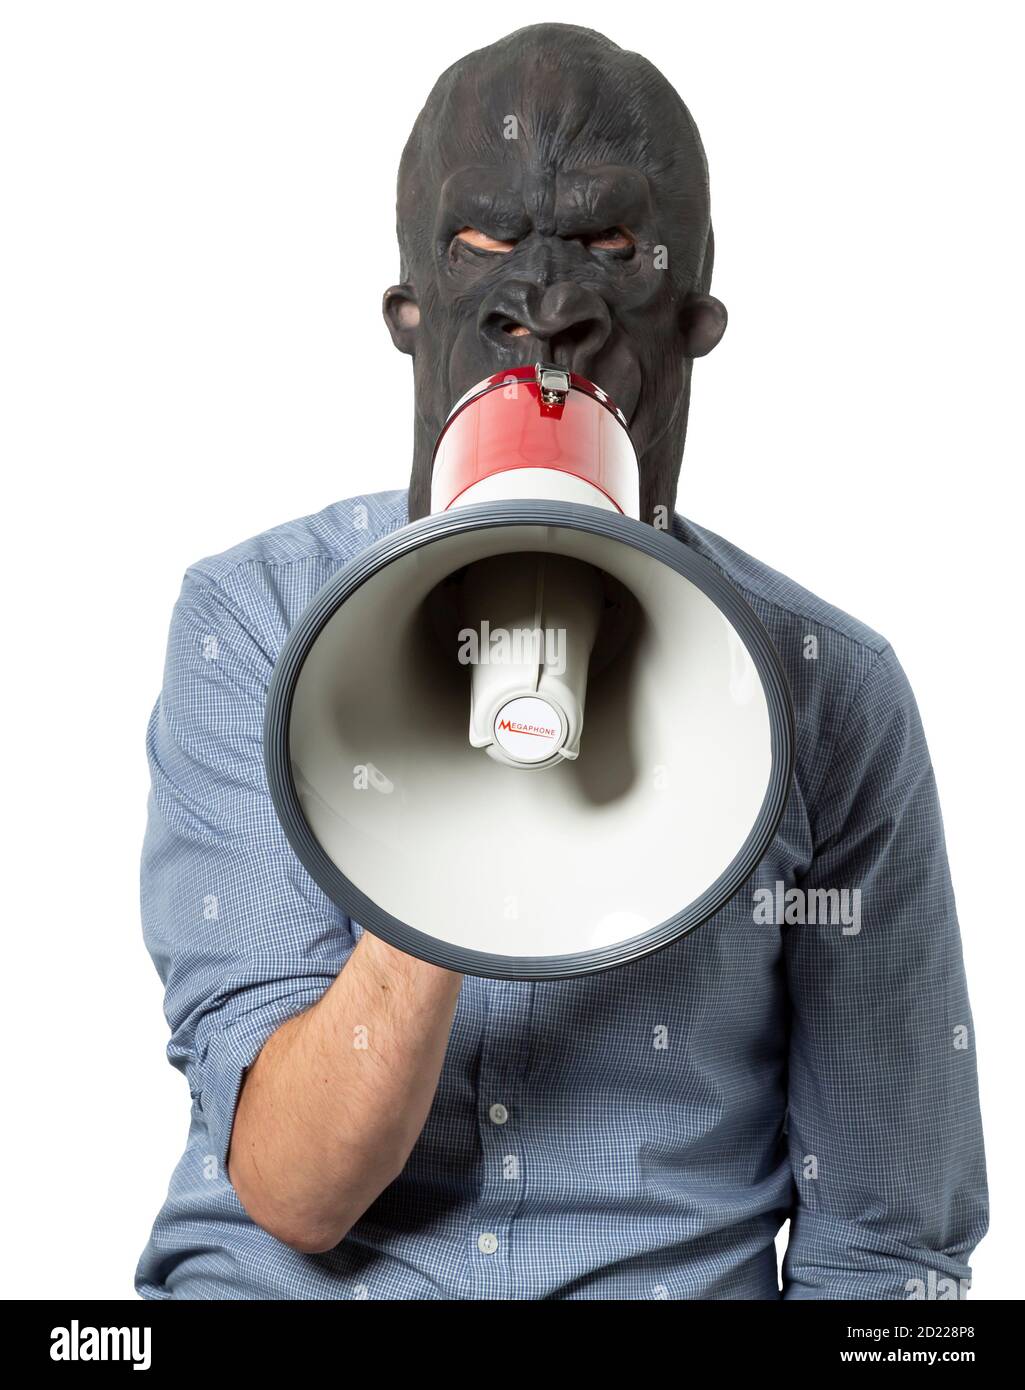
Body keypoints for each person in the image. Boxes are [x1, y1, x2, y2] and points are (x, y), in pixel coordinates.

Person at [136, 24, 987, 1300]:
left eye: (604, 253)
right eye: (482, 248)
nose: (545, 310)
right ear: (408, 313)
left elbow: (887, 1246)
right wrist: (452, 817)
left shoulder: (829, 691)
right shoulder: (251, 624)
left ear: (693, 323)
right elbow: (294, 1193)